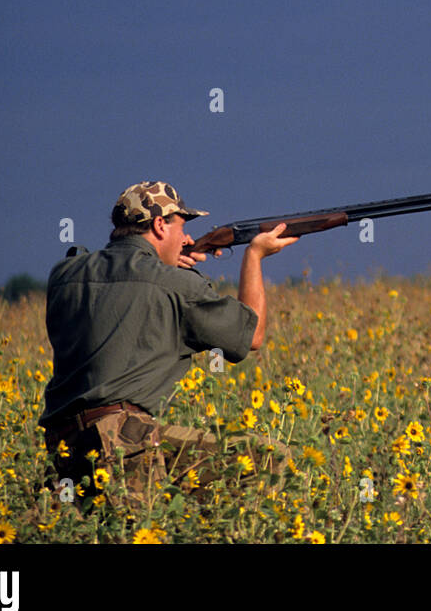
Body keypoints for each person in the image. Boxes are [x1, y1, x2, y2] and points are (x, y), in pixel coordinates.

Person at [39, 180, 298, 509]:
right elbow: (252, 336)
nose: (188, 238)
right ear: (160, 225)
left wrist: (160, 264)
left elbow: (119, 281)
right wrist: (255, 255)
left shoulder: (65, 275)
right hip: (123, 442)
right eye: (182, 226)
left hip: (63, 446)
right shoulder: (175, 285)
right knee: (269, 460)